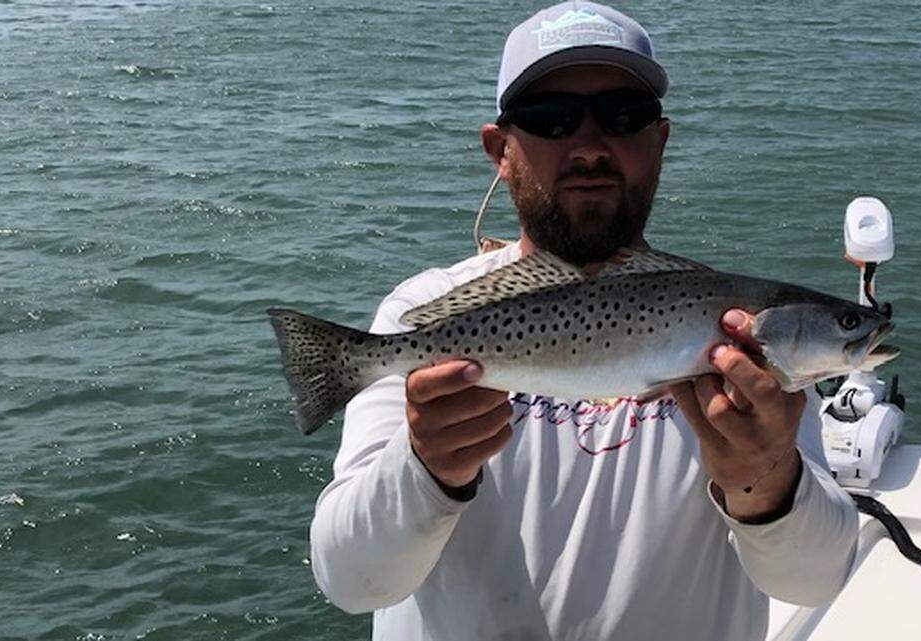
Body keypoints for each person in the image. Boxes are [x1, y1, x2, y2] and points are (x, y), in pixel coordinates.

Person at [308, 3, 859, 640]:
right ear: (500, 150)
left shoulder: (741, 338)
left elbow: (814, 583)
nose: (590, 147)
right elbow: (348, 581)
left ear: (660, 139)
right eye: (551, 119)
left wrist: (766, 480)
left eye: (624, 116)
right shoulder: (418, 311)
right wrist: (426, 468)